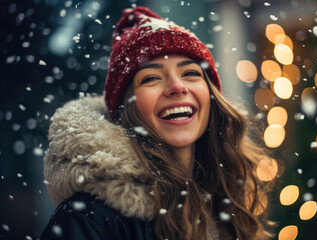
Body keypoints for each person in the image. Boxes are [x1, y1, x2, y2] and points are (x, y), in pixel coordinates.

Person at [40, 6, 274, 240]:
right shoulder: (90, 218)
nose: (177, 86)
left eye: (190, 73)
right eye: (151, 78)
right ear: (126, 108)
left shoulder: (224, 205)